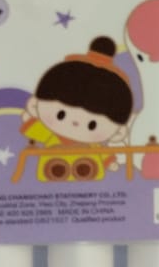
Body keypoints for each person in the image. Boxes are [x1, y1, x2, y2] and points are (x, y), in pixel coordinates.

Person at [21, 36, 133, 181]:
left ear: (119, 132)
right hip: (53, 174)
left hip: (90, 179)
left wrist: (109, 162)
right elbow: (31, 127)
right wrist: (30, 120)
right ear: (34, 105)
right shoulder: (51, 136)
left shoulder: (93, 146)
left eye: (92, 125)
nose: (75, 123)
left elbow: (104, 155)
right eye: (61, 115)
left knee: (87, 166)